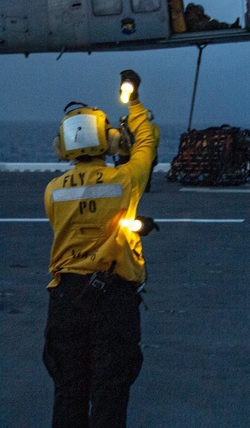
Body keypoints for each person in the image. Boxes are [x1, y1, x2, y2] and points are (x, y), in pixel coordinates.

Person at [43, 70, 160, 428]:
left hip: (65, 299)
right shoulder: (124, 180)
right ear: (107, 139)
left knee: (68, 390)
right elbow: (146, 145)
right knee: (110, 392)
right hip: (112, 298)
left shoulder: (53, 191)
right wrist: (135, 102)